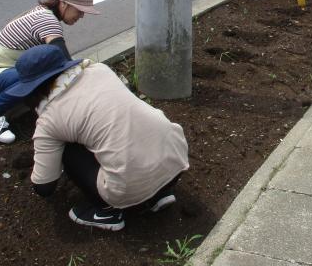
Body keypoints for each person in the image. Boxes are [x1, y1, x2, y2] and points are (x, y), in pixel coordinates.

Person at [16, 45, 189, 232]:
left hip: (128, 187)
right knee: (121, 130)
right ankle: (158, 194)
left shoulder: (49, 120)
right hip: (176, 158)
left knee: (68, 149)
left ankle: (107, 212)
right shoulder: (99, 70)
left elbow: (44, 187)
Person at [0, 0, 99, 144]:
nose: (81, 16)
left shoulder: (42, 12)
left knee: (45, 70)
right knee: (44, 73)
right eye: (80, 10)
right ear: (64, 3)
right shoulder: (48, 22)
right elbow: (64, 64)